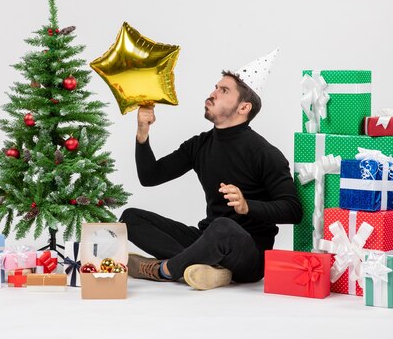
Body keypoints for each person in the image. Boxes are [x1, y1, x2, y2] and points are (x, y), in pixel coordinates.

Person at [119, 65, 302, 290]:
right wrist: (142, 134)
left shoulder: (265, 153)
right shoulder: (200, 145)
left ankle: (164, 270)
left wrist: (247, 206)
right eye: (216, 87)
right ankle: (210, 269)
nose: (213, 93)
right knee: (130, 218)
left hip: (250, 254)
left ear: (244, 107)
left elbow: (294, 210)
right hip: (207, 239)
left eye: (224, 90)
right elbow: (150, 176)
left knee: (223, 227)